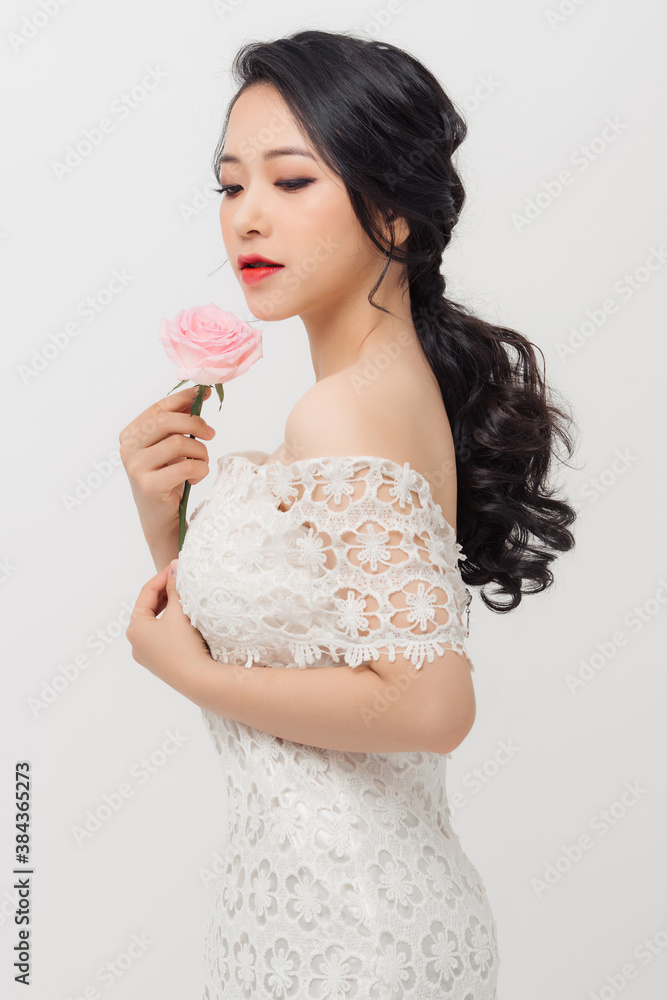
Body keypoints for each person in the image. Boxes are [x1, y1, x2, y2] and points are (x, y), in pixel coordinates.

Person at [121, 29, 578, 999]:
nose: (246, 218)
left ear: (395, 216)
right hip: (314, 914)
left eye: (290, 182)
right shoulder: (374, 391)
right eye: (229, 185)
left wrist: (186, 671)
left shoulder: (341, 409)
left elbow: (426, 704)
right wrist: (167, 524)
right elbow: (319, 646)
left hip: (351, 942)